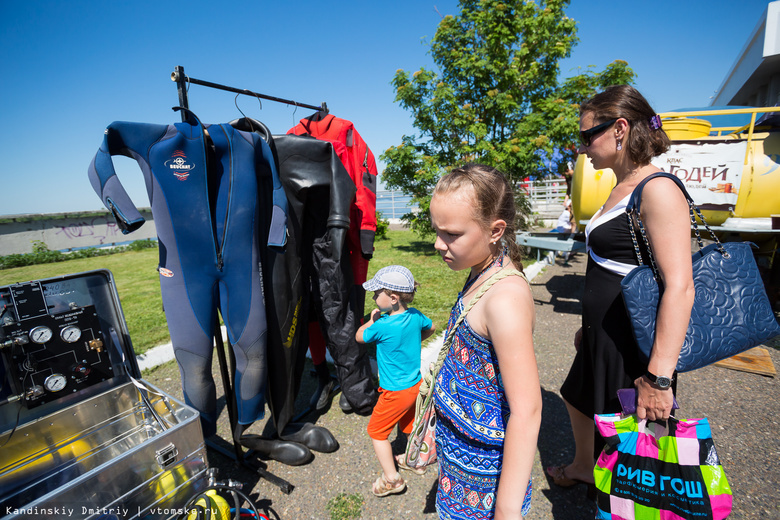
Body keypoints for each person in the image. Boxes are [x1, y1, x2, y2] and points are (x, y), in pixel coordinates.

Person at [546, 85, 695, 494]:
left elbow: (680, 287)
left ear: (620, 129)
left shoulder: (658, 189)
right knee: (577, 396)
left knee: (633, 455)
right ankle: (582, 466)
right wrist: (588, 327)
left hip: (632, 347)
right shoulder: (620, 186)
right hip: (603, 335)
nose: (582, 148)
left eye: (586, 136)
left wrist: (658, 378)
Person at [429, 164, 541, 519]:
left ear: (495, 230)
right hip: (461, 455)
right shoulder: (482, 272)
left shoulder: (504, 300)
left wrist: (507, 510)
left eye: (451, 234)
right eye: (436, 231)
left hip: (483, 475)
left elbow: (527, 411)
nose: (437, 243)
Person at [356, 265, 436, 497]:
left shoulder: (381, 326)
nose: (372, 297)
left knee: (377, 432)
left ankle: (392, 479)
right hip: (415, 385)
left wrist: (372, 320)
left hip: (395, 392)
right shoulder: (415, 316)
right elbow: (430, 327)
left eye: (375, 293)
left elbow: (359, 336)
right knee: (411, 425)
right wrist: (414, 340)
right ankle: (417, 460)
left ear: (392, 298)